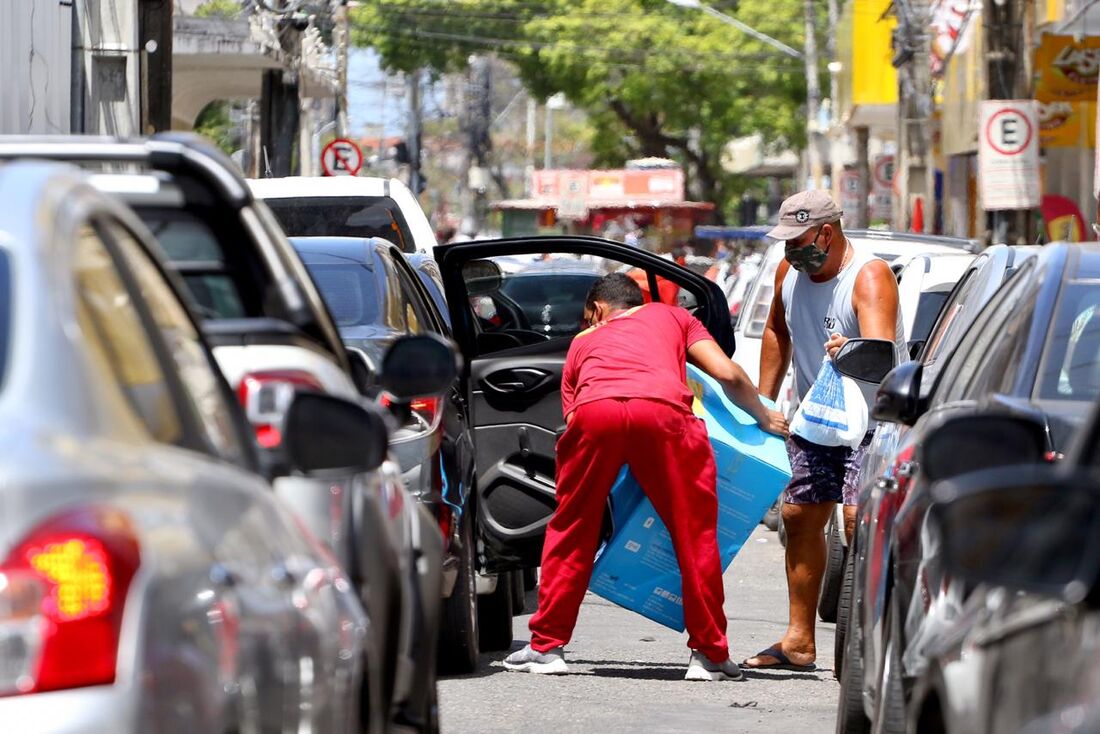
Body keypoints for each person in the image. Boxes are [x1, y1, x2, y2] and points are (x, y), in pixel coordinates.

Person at [503, 273, 788, 680]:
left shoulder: (582, 342)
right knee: (695, 535)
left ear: (597, 310)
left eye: (588, 318)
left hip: (595, 413)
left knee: (572, 527)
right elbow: (727, 373)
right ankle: (708, 655)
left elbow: (576, 415)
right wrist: (764, 416)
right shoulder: (674, 317)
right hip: (664, 414)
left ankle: (547, 647)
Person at [742, 190, 904, 671]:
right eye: (785, 241)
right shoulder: (788, 272)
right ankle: (799, 642)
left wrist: (849, 349)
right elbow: (777, 331)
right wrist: (764, 406)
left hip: (868, 424)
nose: (790, 251)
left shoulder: (869, 275)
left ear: (826, 233)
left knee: (858, 525)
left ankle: (870, 641)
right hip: (814, 419)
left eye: (798, 240)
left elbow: (880, 356)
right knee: (798, 517)